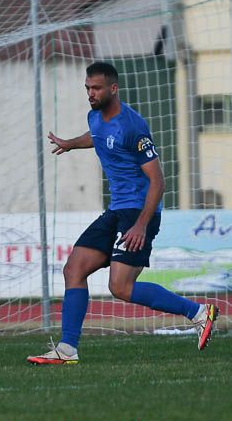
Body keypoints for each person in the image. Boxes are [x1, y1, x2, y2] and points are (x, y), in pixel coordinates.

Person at [28, 62, 218, 365]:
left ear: (113, 89)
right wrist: (71, 144)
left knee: (120, 287)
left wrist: (141, 225)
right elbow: (98, 136)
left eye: (96, 88)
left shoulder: (133, 126)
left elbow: (158, 182)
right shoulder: (94, 116)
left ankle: (198, 312)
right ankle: (67, 349)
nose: (90, 93)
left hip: (138, 213)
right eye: (88, 88)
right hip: (116, 210)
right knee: (73, 269)